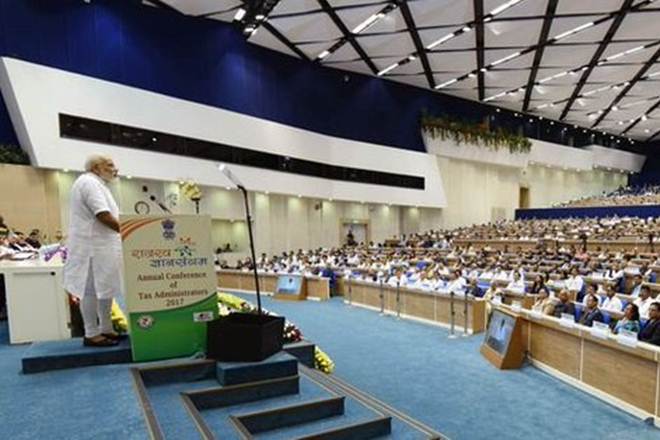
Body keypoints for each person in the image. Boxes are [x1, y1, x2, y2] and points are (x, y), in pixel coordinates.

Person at [63, 155, 124, 347]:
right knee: (89, 290)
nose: (115, 169)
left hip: (104, 247)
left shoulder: (99, 184)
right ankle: (91, 333)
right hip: (91, 247)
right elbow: (103, 215)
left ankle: (106, 328)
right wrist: (128, 232)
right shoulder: (89, 182)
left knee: (106, 287)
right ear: (96, 168)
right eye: (110, 165)